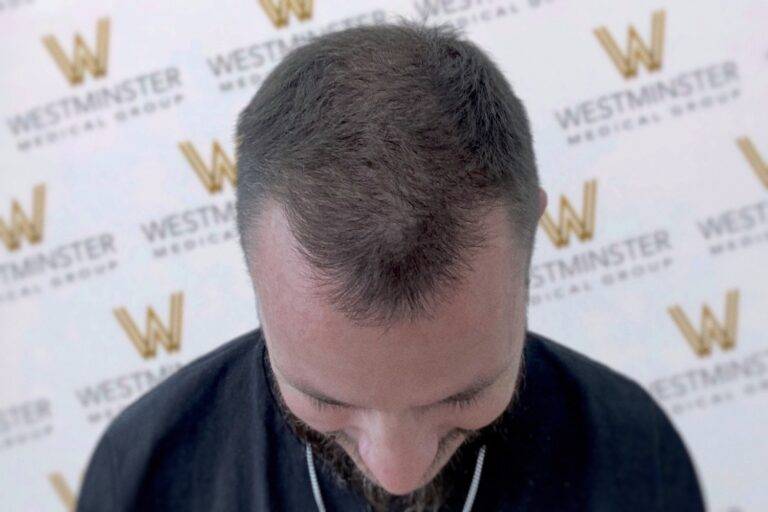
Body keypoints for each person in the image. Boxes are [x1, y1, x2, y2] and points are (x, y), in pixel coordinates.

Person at [76, 21, 705, 512]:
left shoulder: (636, 451)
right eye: (323, 401)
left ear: (533, 241)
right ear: (250, 264)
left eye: (465, 396)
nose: (396, 471)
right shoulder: (143, 474)